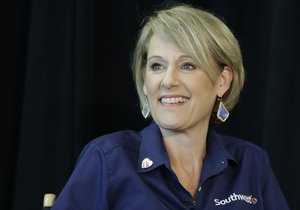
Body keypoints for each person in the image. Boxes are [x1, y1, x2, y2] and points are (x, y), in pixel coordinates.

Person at [51, 3, 290, 210]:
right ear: (144, 81)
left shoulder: (252, 163)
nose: (168, 81)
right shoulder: (108, 158)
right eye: (157, 66)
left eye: (187, 65)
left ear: (222, 81)